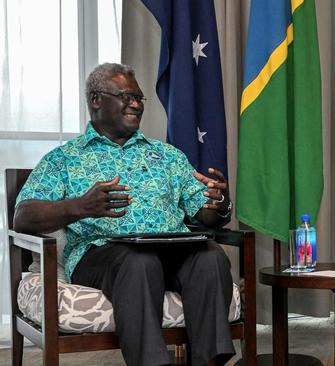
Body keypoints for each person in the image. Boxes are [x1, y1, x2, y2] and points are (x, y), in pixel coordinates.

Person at [14, 63, 235, 366]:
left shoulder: (168, 156)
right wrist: (80, 206)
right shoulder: (64, 158)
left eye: (139, 99)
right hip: (104, 255)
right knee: (139, 261)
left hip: (173, 249)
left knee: (210, 256)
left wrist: (219, 202)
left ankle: (209, 361)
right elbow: (23, 216)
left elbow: (206, 214)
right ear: (96, 99)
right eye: (125, 96)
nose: (135, 104)